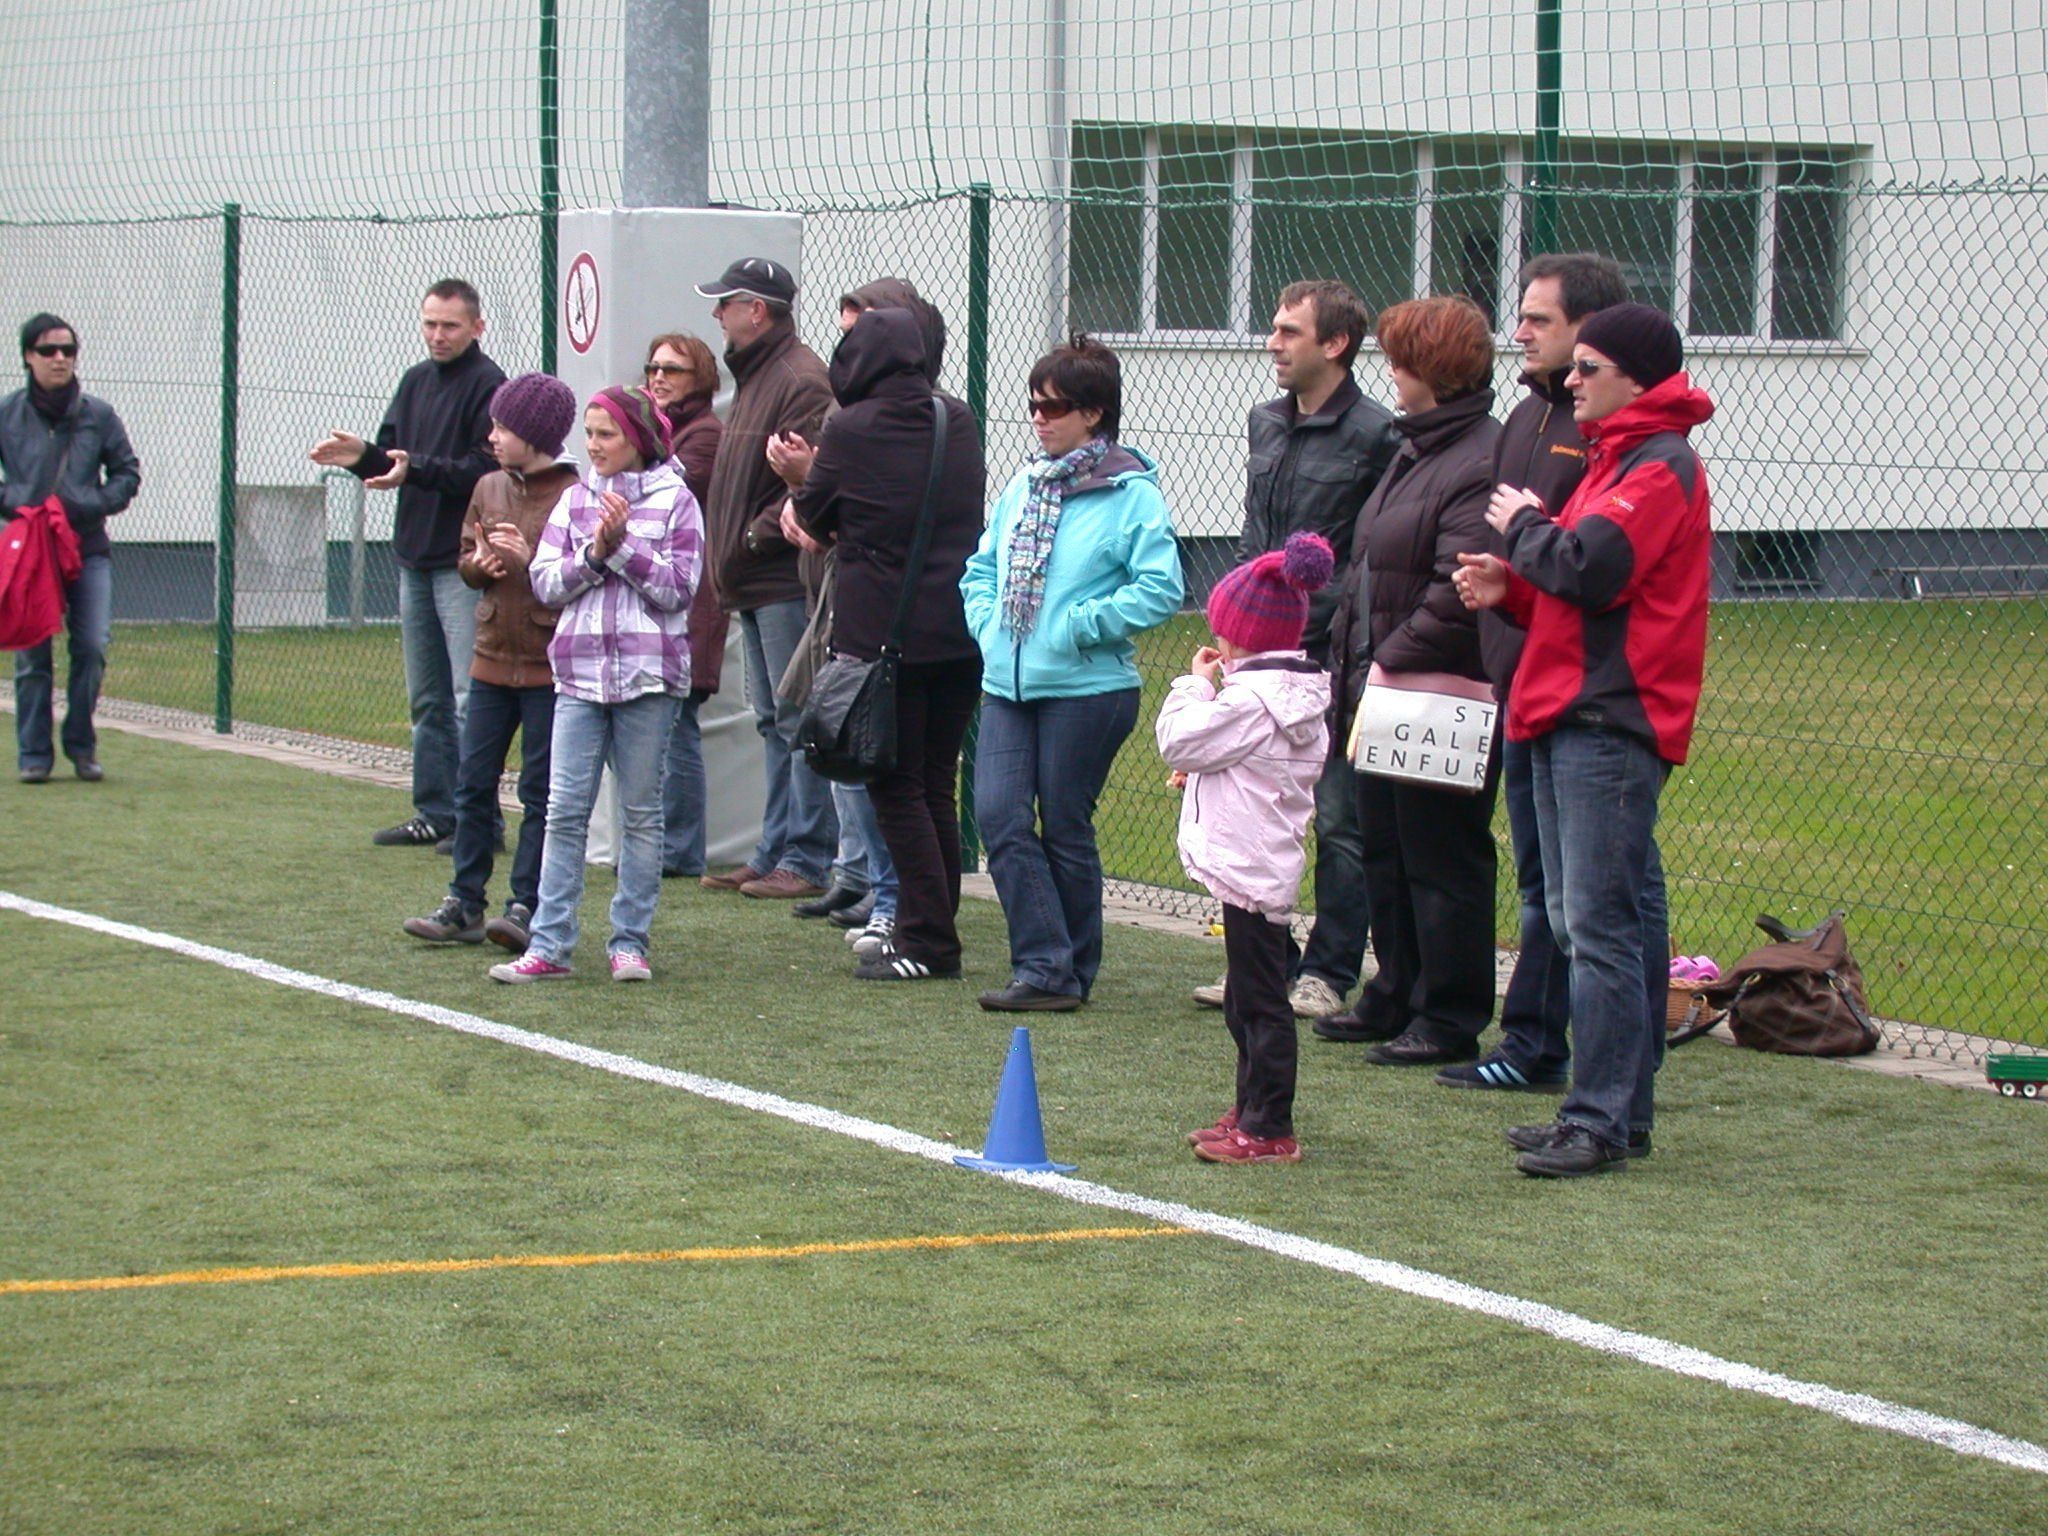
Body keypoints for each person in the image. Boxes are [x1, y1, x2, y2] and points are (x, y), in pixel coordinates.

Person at [1455, 304, 1713, 1176]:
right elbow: (1581, 587)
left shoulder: (1660, 464)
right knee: (1586, 922)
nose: (1570, 379)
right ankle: (1617, 1111)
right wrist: (1515, 585)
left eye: (1588, 367)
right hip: (1566, 706)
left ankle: (1598, 1118)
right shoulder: (1617, 458)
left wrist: (1526, 527)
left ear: (1636, 378)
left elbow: (1592, 566)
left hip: (1608, 718)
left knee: (1597, 927)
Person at [1438, 253, 1629, 1095]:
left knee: (1592, 896)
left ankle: (1582, 1062)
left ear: (1590, 332)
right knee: (1545, 884)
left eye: (1538, 319)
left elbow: (1586, 562)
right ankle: (1536, 1042)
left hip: (1585, 695)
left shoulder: (1612, 440)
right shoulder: (1523, 417)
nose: (1517, 333)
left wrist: (1524, 554)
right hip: (1520, 673)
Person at [1193, 279, 1398, 1021]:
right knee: (1248, 814)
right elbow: (1255, 535)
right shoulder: (1265, 422)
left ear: (1334, 344)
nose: (1272, 343)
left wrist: (1319, 623)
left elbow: (1369, 555)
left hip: (1331, 658)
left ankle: (1329, 971)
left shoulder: (1377, 435)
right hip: (1258, 655)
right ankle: (1262, 965)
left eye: (1289, 332)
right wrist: (1238, 622)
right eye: (1274, 329)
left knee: (1340, 819)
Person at [963, 335, 1185, 1011]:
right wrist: (988, 626)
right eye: (1033, 405)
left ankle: (1062, 971)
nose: (1039, 418)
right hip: (1007, 685)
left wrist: (1079, 625)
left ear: (1093, 413)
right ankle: (1049, 966)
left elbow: (1161, 589)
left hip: (1090, 690)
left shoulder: (1131, 495)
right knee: (998, 816)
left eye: (1054, 407)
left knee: (1064, 825)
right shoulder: (1023, 484)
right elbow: (980, 570)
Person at [1317, 295, 1501, 1066]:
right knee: (1386, 849)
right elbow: (1372, 565)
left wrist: (1389, 657)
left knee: (1441, 857)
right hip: (1383, 686)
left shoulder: (1477, 458)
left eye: (1400, 359)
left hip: (1436, 692)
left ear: (1435, 368)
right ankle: (1393, 992)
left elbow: (1455, 590)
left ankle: (1449, 1013)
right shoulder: (1415, 448)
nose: (1389, 371)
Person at [789, 305, 986, 981]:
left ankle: (928, 941)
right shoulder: (956, 419)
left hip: (883, 637)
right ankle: (929, 927)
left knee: (896, 789)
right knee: (934, 784)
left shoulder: (849, 427)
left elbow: (813, 513)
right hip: (957, 631)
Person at [488, 386, 702, 984]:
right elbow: (545, 583)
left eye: (606, 434)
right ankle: (550, 944)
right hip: (578, 679)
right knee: (563, 812)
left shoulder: (677, 501)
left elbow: (679, 589)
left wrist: (623, 547)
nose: (594, 445)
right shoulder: (575, 498)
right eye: (589, 433)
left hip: (649, 679)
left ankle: (629, 943)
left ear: (637, 439)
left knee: (641, 814)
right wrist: (595, 552)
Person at [310, 279, 505, 849]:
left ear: (477, 327)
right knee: (427, 702)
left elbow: (483, 469)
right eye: (429, 324)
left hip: (461, 564)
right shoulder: (415, 380)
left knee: (469, 699)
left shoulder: (489, 385)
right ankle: (435, 813)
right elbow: (393, 460)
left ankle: (479, 823)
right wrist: (360, 458)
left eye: (449, 325)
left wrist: (414, 467)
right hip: (412, 559)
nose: (437, 335)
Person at [1159, 533, 1335, 1165]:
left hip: (1252, 867)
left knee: (1260, 1002)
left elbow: (1180, 739)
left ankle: (1269, 1126)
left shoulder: (1252, 700)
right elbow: (1246, 765)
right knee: (1245, 997)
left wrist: (1194, 685)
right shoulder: (1281, 696)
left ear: (1239, 639)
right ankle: (1250, 1106)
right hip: (1254, 862)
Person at [400, 374, 580, 953]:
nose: (492, 436)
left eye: (503, 427)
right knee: (473, 784)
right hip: (490, 662)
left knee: (540, 792)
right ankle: (465, 902)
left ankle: (526, 905)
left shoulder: (574, 494)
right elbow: (465, 559)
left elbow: (579, 578)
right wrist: (478, 566)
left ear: (536, 433)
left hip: (549, 668)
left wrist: (529, 563)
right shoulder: (487, 487)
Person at [691, 258, 837, 899]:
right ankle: (775, 849)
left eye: (725, 303)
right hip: (752, 580)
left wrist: (753, 537)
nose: (716, 314)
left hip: (780, 578)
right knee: (774, 719)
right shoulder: (759, 375)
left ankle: (805, 858)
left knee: (797, 717)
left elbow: (810, 483)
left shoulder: (799, 380)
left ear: (756, 310)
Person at [2, 313, 140, 783]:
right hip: (31, 552)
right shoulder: (7, 414)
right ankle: (33, 756)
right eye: (48, 350)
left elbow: (127, 473)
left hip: (87, 547)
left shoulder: (98, 415)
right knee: (32, 654)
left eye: (68, 350)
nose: (59, 358)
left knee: (92, 645)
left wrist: (90, 503)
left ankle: (81, 745)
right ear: (28, 356)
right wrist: (18, 504)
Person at [639, 331, 727, 881]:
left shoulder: (704, 436)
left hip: (692, 601)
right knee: (665, 726)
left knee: (678, 725)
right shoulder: (663, 432)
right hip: (661, 598)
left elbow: (657, 497)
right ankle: (666, 845)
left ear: (702, 380)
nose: (659, 377)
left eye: (673, 369)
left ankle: (680, 849)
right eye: (653, 368)